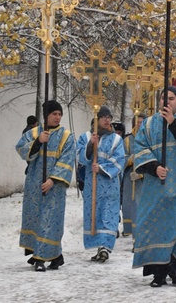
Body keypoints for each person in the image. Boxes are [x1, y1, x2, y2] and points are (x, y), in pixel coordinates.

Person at [132, 86, 176, 287]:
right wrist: (154, 167)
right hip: (157, 187)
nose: (167, 102)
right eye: (164, 98)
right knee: (156, 228)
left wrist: (173, 122)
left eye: (171, 98)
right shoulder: (147, 125)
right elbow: (139, 148)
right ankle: (159, 273)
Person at [15, 100, 75, 271]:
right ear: (46, 115)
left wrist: (53, 180)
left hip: (55, 187)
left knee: (50, 221)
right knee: (36, 218)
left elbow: (67, 160)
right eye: (54, 114)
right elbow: (20, 149)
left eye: (59, 114)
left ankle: (41, 258)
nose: (58, 117)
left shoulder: (66, 135)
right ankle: (54, 256)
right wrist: (38, 142)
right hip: (34, 184)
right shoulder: (35, 133)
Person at [76, 106, 125, 262]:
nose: (107, 120)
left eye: (109, 117)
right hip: (93, 185)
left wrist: (102, 168)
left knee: (108, 215)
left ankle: (105, 247)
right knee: (95, 215)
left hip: (110, 184)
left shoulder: (116, 139)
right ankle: (99, 247)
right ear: (97, 119)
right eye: (103, 117)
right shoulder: (85, 137)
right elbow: (80, 157)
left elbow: (119, 160)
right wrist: (91, 145)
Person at [121, 113, 147, 237]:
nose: (139, 124)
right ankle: (129, 229)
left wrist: (142, 173)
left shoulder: (148, 139)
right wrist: (129, 159)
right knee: (129, 202)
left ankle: (139, 232)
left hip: (143, 178)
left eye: (142, 122)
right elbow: (121, 158)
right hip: (129, 176)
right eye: (138, 122)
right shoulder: (127, 140)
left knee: (140, 203)